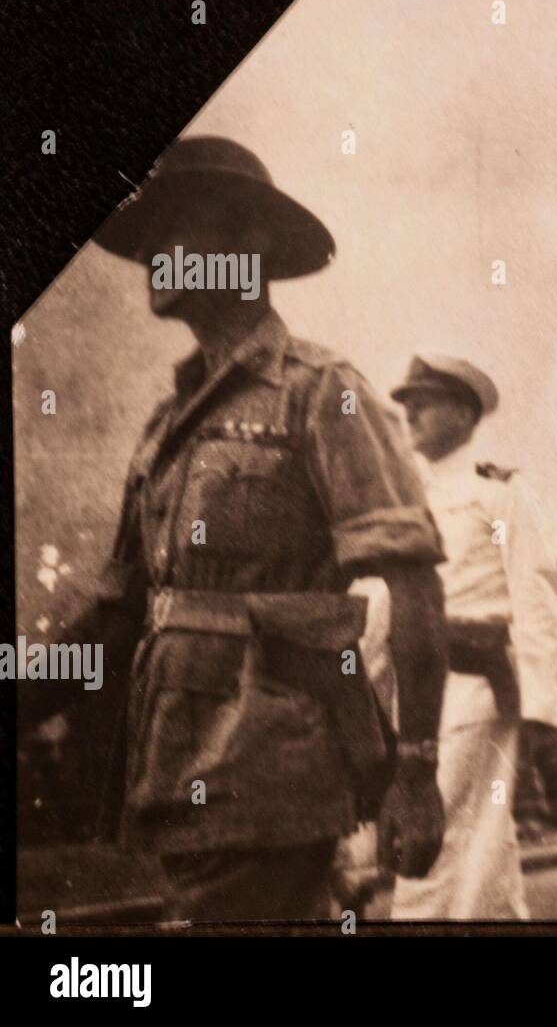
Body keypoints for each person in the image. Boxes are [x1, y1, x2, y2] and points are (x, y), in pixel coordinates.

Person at [22, 136, 448, 920]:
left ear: (247, 243)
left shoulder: (322, 393)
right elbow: (117, 618)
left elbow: (414, 582)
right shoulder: (166, 425)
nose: (150, 248)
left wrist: (416, 772)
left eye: (173, 224)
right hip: (178, 772)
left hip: (274, 770)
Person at [387, 353, 557, 918]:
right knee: (445, 842)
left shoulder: (499, 495)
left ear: (465, 414)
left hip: (474, 690)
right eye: (406, 400)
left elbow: (537, 597)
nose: (409, 410)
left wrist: (541, 710)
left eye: (425, 400)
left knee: (455, 843)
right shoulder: (402, 496)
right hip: (412, 692)